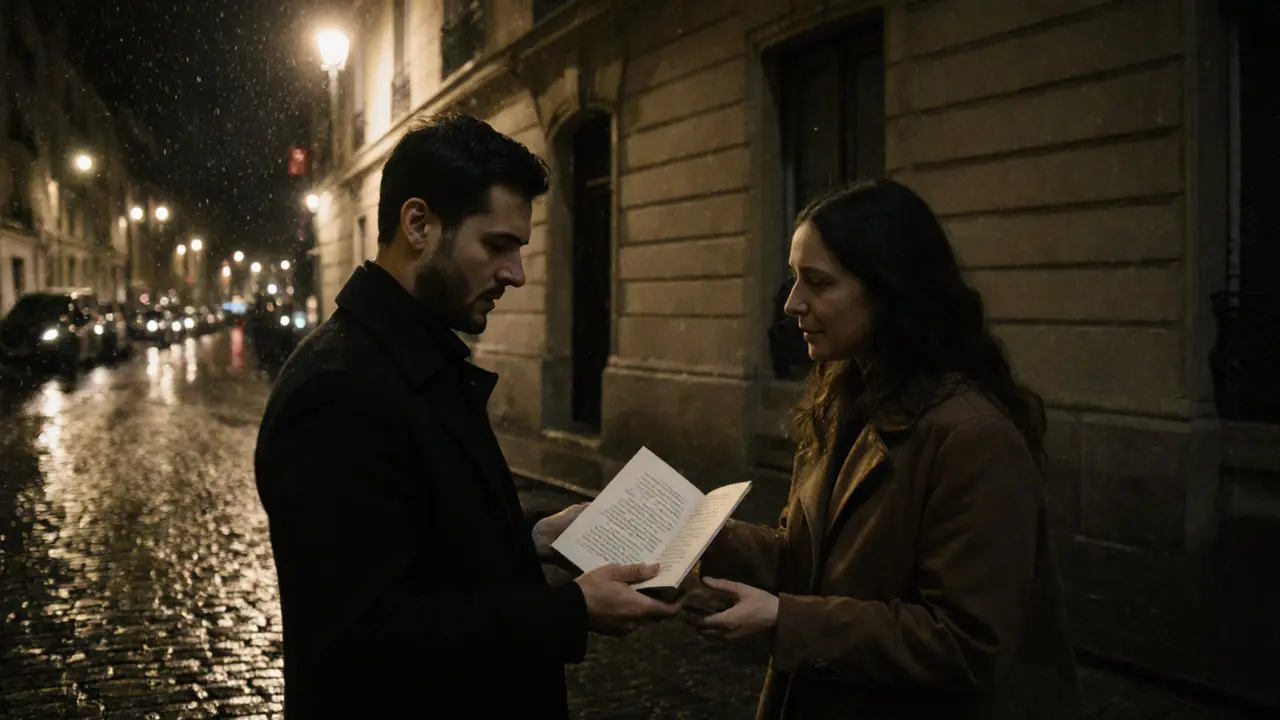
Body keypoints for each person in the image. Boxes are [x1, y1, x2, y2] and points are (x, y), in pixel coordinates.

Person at [254, 113, 681, 719]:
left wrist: (528, 539)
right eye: (497, 245)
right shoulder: (342, 389)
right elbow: (362, 638)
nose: (517, 274)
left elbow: (417, 535)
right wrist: (571, 612)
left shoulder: (410, 354)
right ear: (419, 223)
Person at [692, 179, 1080, 718]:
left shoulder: (972, 437)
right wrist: (691, 533)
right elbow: (806, 559)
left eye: (817, 282)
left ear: (889, 290)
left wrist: (786, 621)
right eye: (793, 278)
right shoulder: (846, 398)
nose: (791, 303)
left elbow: (967, 643)